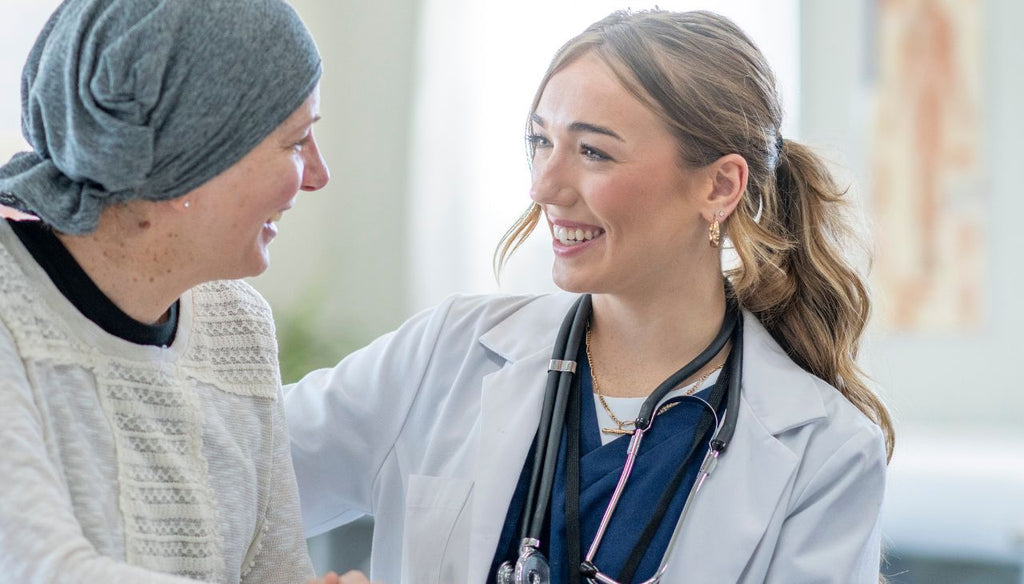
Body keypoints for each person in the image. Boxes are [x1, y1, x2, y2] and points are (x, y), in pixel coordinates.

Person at [286, 9, 894, 584]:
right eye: (541, 142)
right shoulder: (447, 353)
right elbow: (230, 473)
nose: (543, 185)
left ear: (719, 184)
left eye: (593, 151)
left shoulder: (825, 453)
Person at [0, 0, 333, 581]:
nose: (317, 175)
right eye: (296, 142)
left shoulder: (239, 326)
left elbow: (277, 570)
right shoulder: (10, 308)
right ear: (194, 158)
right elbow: (38, 568)